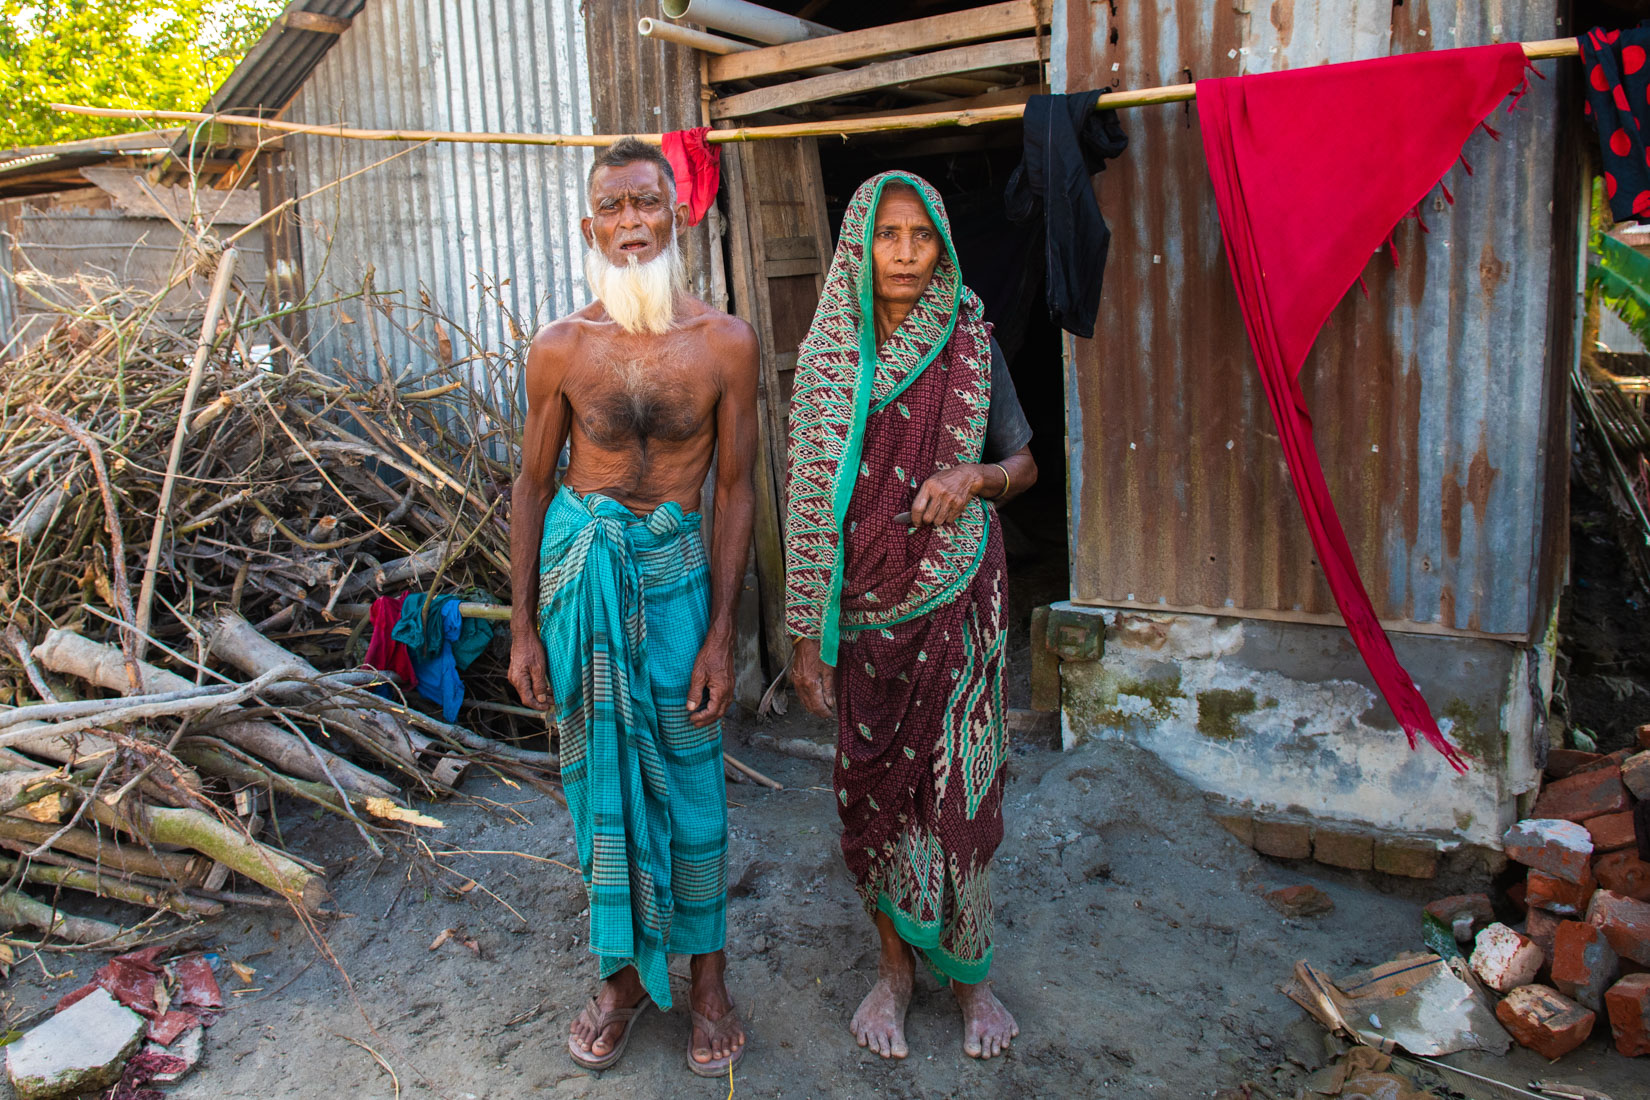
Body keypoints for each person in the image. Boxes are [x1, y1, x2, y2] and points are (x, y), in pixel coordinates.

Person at [508, 137, 757, 1077]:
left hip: (678, 581)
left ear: (676, 215)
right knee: (595, 789)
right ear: (589, 226)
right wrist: (525, 625)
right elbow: (531, 487)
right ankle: (616, 982)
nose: (630, 225)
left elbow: (735, 493)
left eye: (646, 205)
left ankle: (707, 983)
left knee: (694, 785)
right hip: (585, 586)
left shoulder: (725, 343)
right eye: (611, 210)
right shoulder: (562, 347)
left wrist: (725, 635)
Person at [784, 171, 1037, 1061]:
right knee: (872, 796)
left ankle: (973, 982)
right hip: (861, 619)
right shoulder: (827, 357)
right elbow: (811, 506)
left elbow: (1026, 462)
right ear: (860, 243)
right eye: (886, 234)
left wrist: (975, 478)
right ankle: (893, 972)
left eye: (918, 236)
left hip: (960, 598)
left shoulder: (970, 342)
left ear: (942, 247)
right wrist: (805, 637)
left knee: (957, 794)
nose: (901, 252)